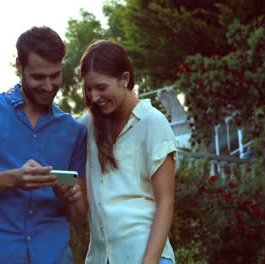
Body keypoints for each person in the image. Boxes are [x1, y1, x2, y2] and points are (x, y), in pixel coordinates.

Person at [0, 26, 87, 264]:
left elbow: (78, 216)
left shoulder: (73, 131)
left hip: (53, 256)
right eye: (38, 77)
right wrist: (16, 179)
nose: (48, 85)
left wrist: (70, 197)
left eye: (55, 75)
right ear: (19, 67)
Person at [79, 39, 176, 264]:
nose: (94, 97)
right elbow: (55, 127)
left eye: (102, 87)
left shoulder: (153, 123)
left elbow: (166, 201)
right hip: (100, 258)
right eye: (89, 89)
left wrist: (149, 262)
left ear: (124, 79)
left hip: (145, 255)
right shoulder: (87, 126)